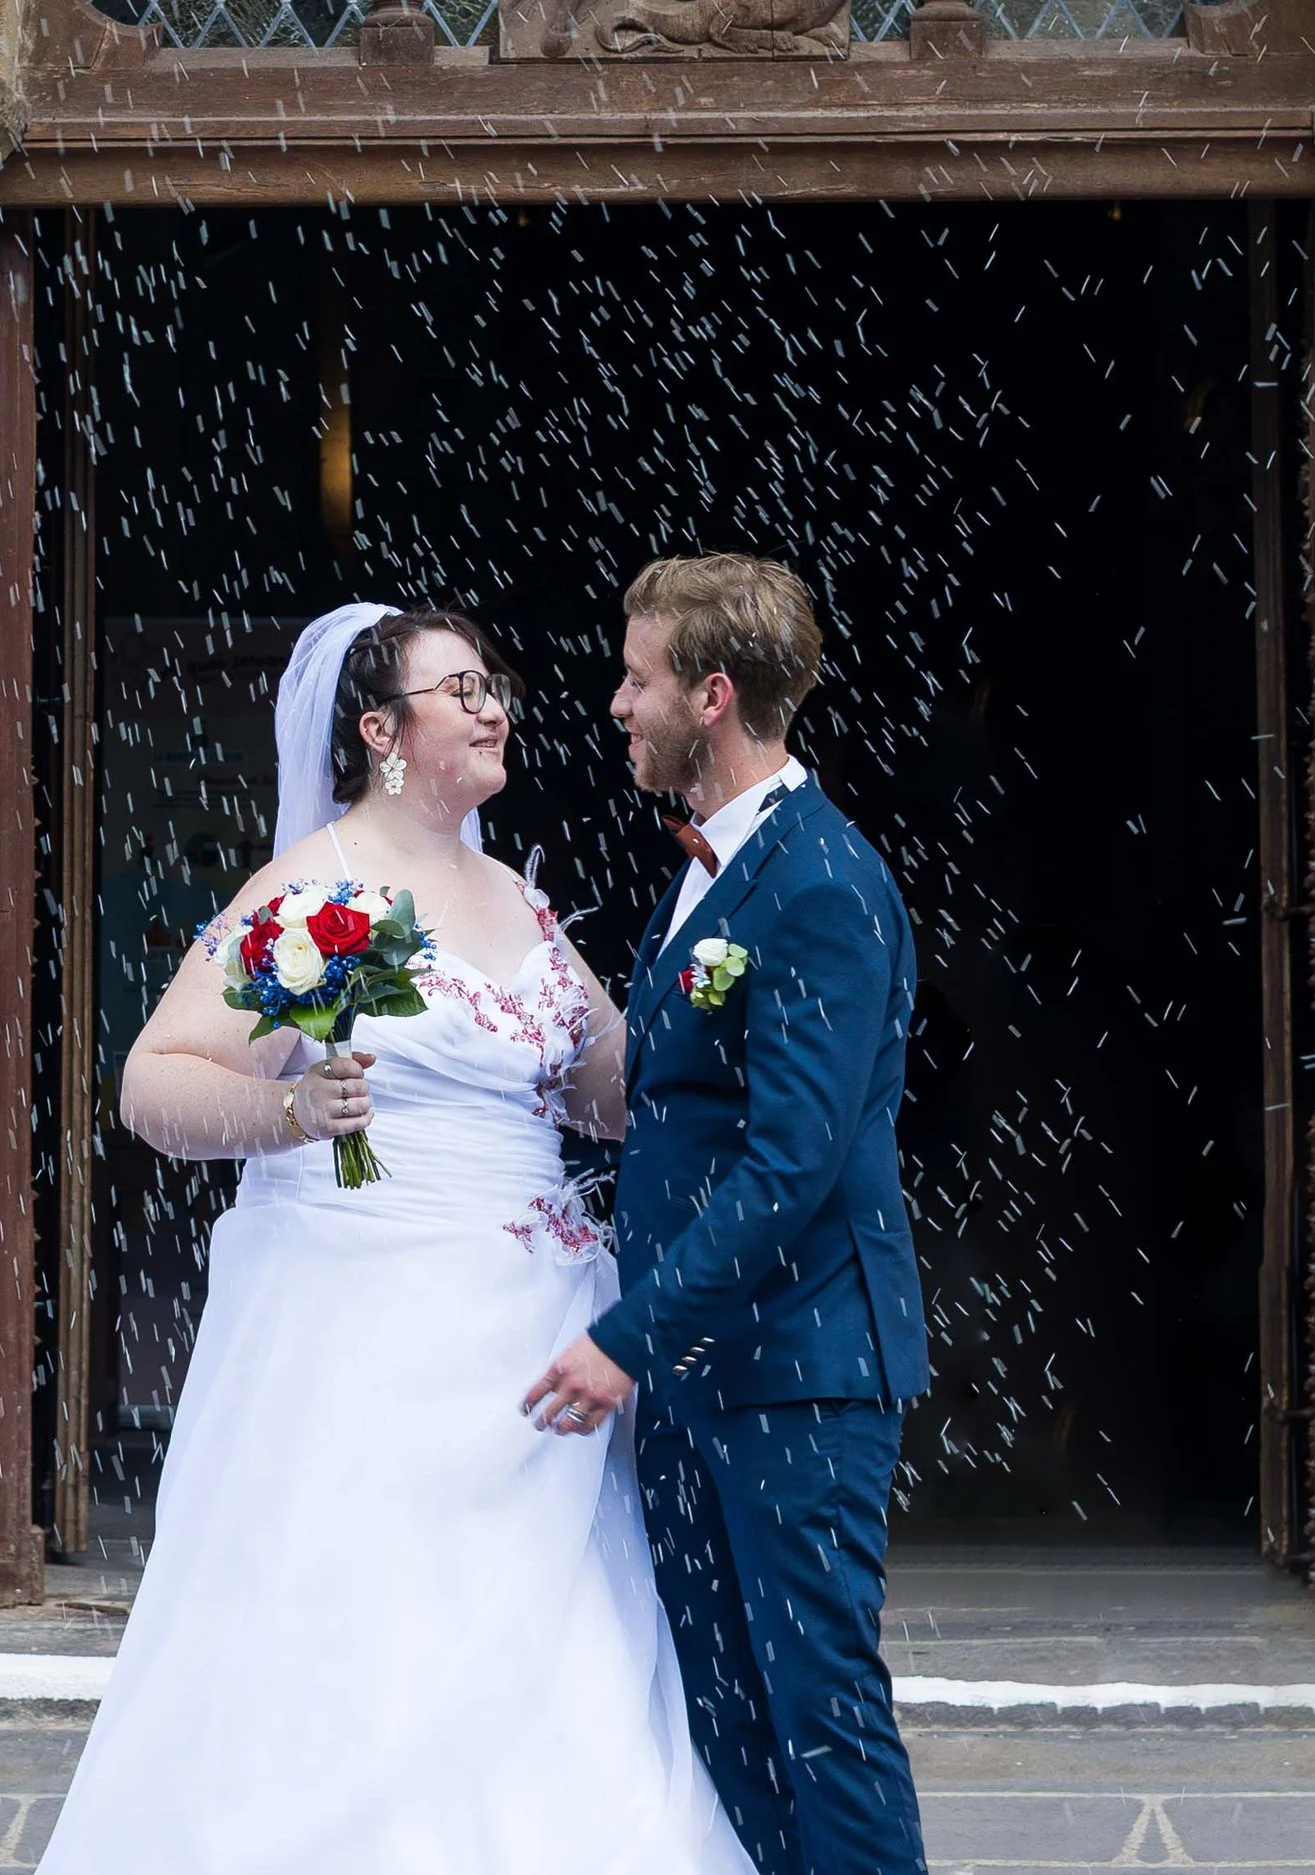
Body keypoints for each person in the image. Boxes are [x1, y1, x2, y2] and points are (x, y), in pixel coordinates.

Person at [34, 603, 756, 1875]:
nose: (494, 707)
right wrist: (288, 1108)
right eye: (459, 688)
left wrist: (713, 973)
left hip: (540, 1322)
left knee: (559, 1637)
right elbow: (152, 1082)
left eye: (495, 683)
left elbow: (608, 1091)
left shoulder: (516, 900)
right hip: (377, 1321)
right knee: (382, 1633)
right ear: (379, 731)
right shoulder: (327, 896)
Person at [525, 555, 934, 1875]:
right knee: (724, 1705)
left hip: (801, 1370)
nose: (614, 704)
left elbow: (789, 1162)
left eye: (637, 678)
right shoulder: (710, 871)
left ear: (712, 694)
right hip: (707, 1372)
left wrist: (626, 1335)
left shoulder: (818, 884)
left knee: (822, 1714)